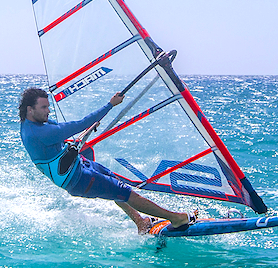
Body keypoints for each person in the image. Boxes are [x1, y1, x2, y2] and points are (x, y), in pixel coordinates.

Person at [18, 87, 192, 233]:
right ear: (30, 109)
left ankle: (140, 222)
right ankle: (175, 218)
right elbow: (79, 124)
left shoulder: (32, 124)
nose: (48, 111)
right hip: (78, 180)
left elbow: (61, 138)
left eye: (48, 106)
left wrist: (86, 130)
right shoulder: (40, 133)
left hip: (79, 166)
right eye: (43, 107)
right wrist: (110, 105)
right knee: (125, 193)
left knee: (115, 184)